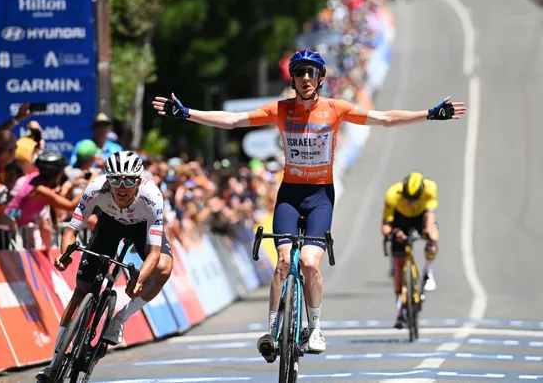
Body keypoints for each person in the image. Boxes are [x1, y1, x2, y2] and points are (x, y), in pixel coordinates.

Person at [152, 48, 466, 360]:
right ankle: (273, 331)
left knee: (310, 264)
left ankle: (315, 328)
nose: (304, 78)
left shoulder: (335, 108)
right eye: (299, 73)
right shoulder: (280, 109)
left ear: (320, 79)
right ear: (293, 79)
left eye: (310, 73)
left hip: (320, 197)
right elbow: (233, 121)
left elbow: (383, 118)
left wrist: (429, 113)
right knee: (284, 262)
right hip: (290, 194)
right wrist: (188, 112)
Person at [36, 150, 173, 381]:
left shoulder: (152, 197)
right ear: (107, 178)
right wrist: (65, 254)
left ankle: (120, 319)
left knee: (165, 269)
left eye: (128, 180)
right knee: (82, 290)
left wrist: (138, 279)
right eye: (115, 179)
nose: (121, 186)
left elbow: (155, 253)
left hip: (141, 228)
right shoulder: (96, 188)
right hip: (109, 225)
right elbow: (71, 231)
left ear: (138, 181)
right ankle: (54, 363)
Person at [381, 171, 439, 329]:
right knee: (399, 263)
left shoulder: (430, 189)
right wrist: (393, 233)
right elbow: (385, 225)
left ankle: (428, 272)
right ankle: (399, 309)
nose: (409, 202)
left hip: (421, 217)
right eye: (407, 198)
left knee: (433, 233)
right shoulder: (393, 194)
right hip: (400, 221)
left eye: (413, 200)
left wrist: (429, 237)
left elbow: (430, 217)